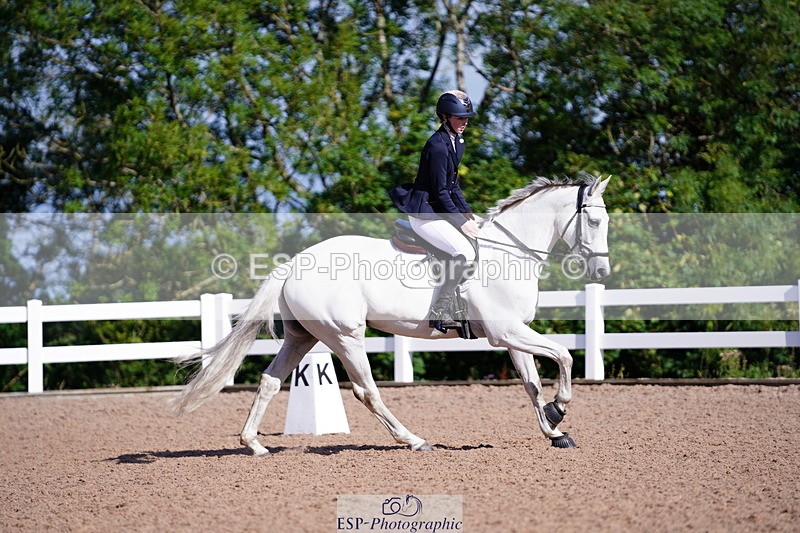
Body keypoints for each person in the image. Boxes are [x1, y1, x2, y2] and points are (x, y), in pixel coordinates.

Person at [389, 90, 480, 333]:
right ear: (445, 117)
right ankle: (440, 311)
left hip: (439, 209)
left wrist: (468, 214)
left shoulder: (457, 141)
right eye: (460, 118)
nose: (465, 122)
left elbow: (453, 186)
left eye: (466, 118)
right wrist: (461, 222)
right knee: (463, 252)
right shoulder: (438, 146)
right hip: (425, 213)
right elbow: (440, 192)